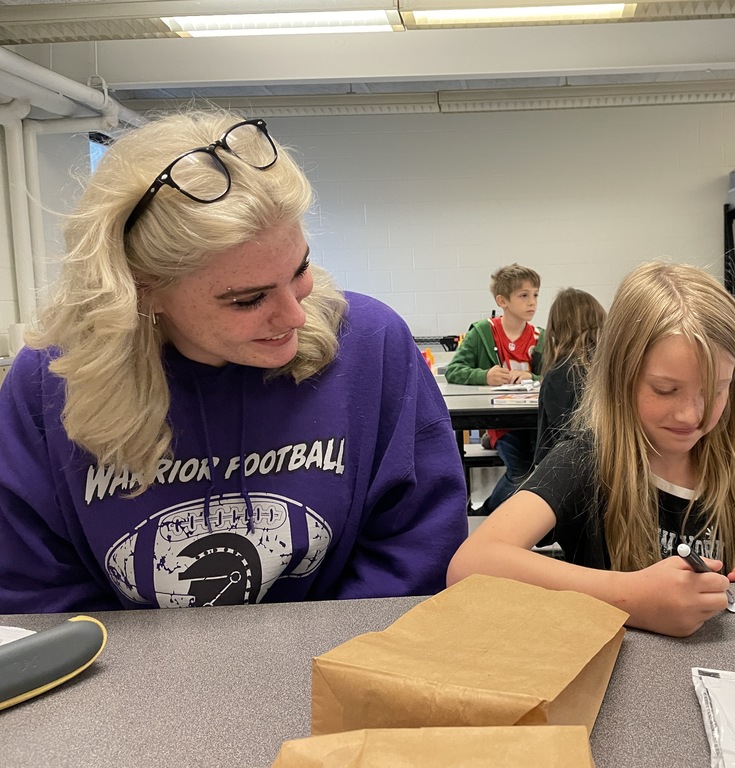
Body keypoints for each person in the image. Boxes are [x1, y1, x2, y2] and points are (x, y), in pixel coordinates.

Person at [0, 111, 468, 613]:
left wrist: (325, 666)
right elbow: (33, 592)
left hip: (342, 663)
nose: (294, 314)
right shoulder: (50, 380)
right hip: (126, 680)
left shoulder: (370, 343)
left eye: (300, 269)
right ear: (141, 289)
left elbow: (417, 551)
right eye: (247, 299)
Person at [447, 261, 735, 638]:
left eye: (715, 390)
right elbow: (470, 565)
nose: (691, 415)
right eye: (664, 390)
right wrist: (629, 596)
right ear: (621, 377)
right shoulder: (585, 461)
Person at [445, 263, 545, 513]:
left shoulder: (540, 336)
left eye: (535, 295)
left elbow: (552, 376)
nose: (532, 302)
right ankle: (486, 514)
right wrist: (484, 375)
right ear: (503, 301)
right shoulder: (482, 332)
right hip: (501, 420)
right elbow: (453, 370)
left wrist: (531, 375)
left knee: (540, 471)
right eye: (524, 295)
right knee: (521, 473)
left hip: (534, 420)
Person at [533, 287, 605, 467]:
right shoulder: (609, 367)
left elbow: (559, 441)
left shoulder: (561, 374)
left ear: (557, 328)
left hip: (564, 475)